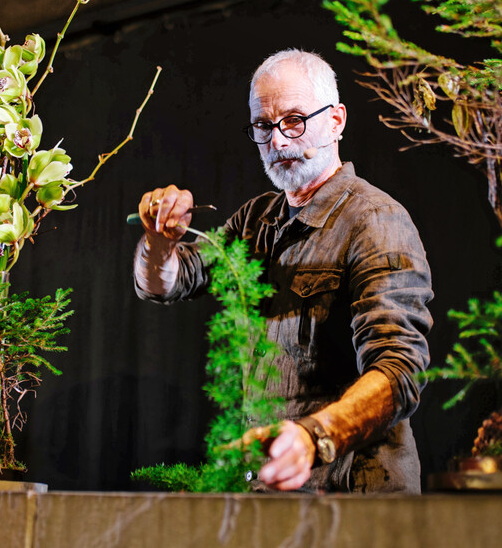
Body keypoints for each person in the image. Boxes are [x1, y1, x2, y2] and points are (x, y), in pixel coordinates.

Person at [133, 49, 433, 493]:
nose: (277, 141)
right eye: (263, 125)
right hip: (272, 493)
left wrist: (314, 437)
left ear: (336, 120)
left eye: (294, 120)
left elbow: (400, 371)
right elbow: (166, 283)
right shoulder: (257, 220)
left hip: (355, 498)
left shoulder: (375, 220)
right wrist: (160, 239)